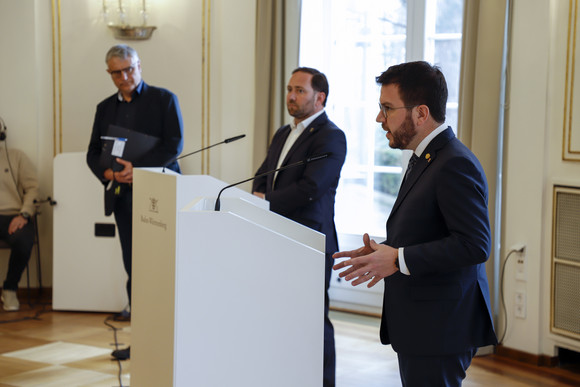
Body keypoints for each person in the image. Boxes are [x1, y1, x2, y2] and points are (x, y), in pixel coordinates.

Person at [332, 61, 497, 386]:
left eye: (387, 108)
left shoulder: (454, 163)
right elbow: (431, 228)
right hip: (426, 323)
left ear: (421, 113)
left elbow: (475, 245)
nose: (380, 118)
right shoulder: (427, 156)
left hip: (441, 327)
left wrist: (397, 259)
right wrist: (386, 251)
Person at [86, 44, 183, 360]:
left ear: (139, 66)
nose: (125, 76)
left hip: (160, 195)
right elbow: (92, 154)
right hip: (123, 198)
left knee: (163, 269)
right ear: (109, 74)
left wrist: (136, 169)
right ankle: (139, 341)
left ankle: (169, 341)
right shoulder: (104, 108)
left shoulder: (163, 99)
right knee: (135, 268)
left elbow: (174, 144)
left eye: (130, 68)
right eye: (117, 72)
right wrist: (110, 173)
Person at [252, 67, 347, 387]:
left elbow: (311, 188)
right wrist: (258, 195)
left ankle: (323, 381)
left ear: (320, 97)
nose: (291, 96)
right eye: (290, 89)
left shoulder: (331, 136)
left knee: (312, 319)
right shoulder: (283, 132)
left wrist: (264, 201)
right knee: (279, 314)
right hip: (275, 235)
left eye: (300, 91)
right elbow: (264, 173)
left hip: (308, 240)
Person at [0, 122, 39, 311]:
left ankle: (9, 289)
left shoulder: (16, 157)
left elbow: (32, 188)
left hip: (13, 215)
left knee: (23, 241)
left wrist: (24, 214)